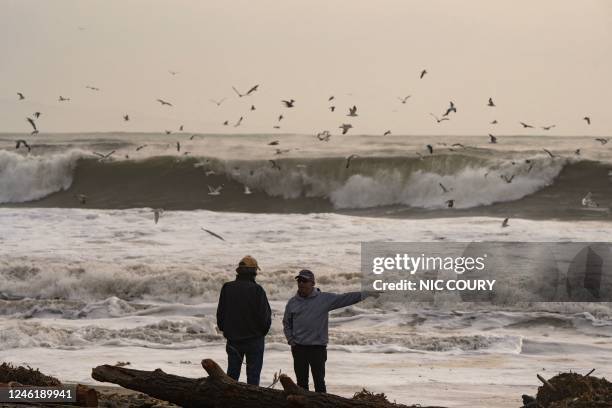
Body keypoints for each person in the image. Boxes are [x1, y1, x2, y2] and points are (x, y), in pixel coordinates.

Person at [282, 269, 379, 393]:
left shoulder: (324, 299)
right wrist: (290, 340)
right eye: (299, 281)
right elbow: (286, 323)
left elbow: (346, 298)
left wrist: (367, 293)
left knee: (319, 382)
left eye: (304, 281)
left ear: (312, 283)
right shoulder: (292, 302)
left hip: (317, 348)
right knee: (301, 383)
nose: (301, 283)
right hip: (299, 348)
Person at [216, 255, 271, 385]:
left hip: (233, 339)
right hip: (254, 339)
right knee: (253, 378)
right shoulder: (257, 290)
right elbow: (265, 317)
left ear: (238, 272)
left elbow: (220, 314)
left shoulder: (227, 287)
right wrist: (261, 333)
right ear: (254, 272)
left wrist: (226, 330)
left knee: (232, 376)